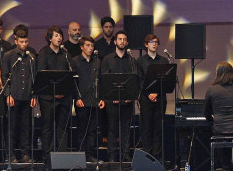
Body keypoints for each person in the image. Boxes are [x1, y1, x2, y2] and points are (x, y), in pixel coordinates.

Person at [36, 26, 73, 162]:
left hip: (64, 98)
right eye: (56, 36)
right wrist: (53, 93)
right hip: (48, 98)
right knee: (48, 127)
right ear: (50, 38)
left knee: (63, 127)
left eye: (60, 35)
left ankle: (62, 156)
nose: (59, 38)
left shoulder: (66, 54)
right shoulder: (43, 53)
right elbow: (42, 76)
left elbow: (70, 75)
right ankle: (48, 156)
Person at [100, 30, 138, 163]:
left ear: (127, 42)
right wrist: (111, 97)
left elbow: (134, 80)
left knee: (126, 130)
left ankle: (125, 155)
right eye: (120, 39)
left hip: (127, 101)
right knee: (112, 129)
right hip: (112, 101)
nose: (122, 41)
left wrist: (130, 96)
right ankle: (111, 156)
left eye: (124, 39)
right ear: (115, 41)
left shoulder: (132, 61)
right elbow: (105, 80)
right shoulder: (107, 59)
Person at [2, 25, 37, 164]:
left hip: (27, 97)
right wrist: (8, 94)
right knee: (11, 128)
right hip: (13, 96)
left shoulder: (32, 57)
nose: (24, 45)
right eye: (21, 42)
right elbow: (5, 77)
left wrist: (34, 96)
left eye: (26, 42)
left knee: (25, 128)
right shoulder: (8, 56)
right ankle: (10, 155)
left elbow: (35, 78)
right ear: (16, 41)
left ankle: (25, 154)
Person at [137, 34, 171, 160]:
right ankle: (147, 156)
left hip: (160, 98)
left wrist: (156, 93)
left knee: (158, 128)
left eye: (156, 42)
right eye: (151, 42)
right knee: (146, 128)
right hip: (146, 99)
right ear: (146, 45)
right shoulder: (140, 61)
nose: (154, 44)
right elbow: (139, 81)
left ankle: (157, 157)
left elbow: (166, 80)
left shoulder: (163, 61)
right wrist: (149, 94)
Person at [72, 36, 101, 163]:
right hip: (81, 100)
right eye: (88, 45)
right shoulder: (75, 61)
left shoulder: (97, 62)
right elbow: (73, 82)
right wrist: (76, 98)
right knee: (82, 130)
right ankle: (80, 155)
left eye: (92, 46)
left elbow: (101, 81)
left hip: (94, 100)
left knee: (92, 130)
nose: (90, 48)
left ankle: (90, 155)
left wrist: (101, 98)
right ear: (82, 47)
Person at [204, 61, 233, 143]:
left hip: (219, 129)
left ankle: (221, 155)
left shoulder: (211, 90)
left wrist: (215, 121)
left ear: (218, 73)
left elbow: (206, 113)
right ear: (232, 73)